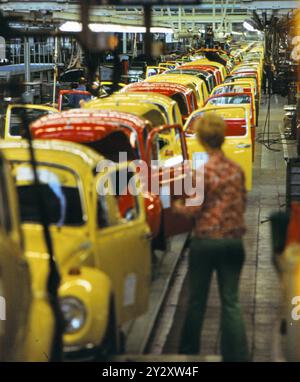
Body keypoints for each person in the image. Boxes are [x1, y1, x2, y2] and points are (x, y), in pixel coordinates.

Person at [173, 113, 249, 362]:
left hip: (205, 243)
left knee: (197, 300)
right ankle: (237, 355)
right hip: (233, 243)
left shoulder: (202, 173)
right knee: (231, 301)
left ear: (202, 139)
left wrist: (176, 207)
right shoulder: (236, 170)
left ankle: (188, 352)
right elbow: (242, 204)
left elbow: (193, 209)